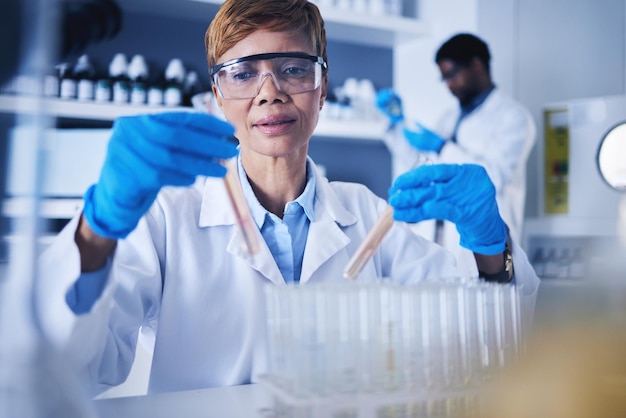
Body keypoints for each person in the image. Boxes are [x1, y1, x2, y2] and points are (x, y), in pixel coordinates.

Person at [36, 0, 539, 397]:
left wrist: (490, 246)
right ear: (216, 94)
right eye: (243, 72)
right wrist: (96, 229)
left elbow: (485, 349)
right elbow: (62, 372)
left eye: (294, 69)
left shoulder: (366, 215)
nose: (270, 91)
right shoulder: (168, 216)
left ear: (322, 89)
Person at [377, 33, 536, 275]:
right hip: (441, 240)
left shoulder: (513, 118)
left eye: (452, 75)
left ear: (477, 66)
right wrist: (397, 123)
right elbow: (421, 163)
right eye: (443, 79)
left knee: (490, 306)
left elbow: (494, 177)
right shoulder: (448, 118)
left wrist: (443, 146)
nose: (449, 85)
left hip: (489, 244)